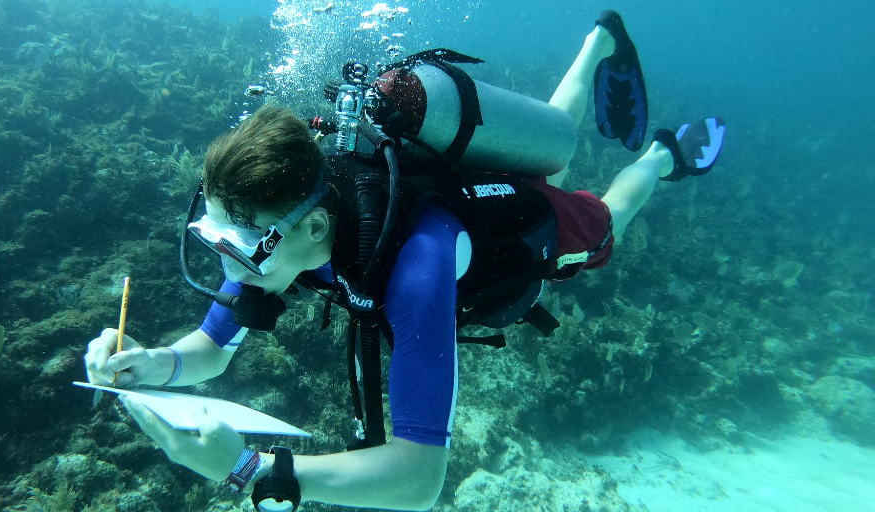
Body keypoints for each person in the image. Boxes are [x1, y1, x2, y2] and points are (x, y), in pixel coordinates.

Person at [84, 10, 725, 511]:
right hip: (442, 189)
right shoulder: (279, 234)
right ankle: (599, 41)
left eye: (238, 246)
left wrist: (249, 470)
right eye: (212, 237)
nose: (228, 264)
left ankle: (664, 154)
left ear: (312, 227)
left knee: (602, 215)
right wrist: (151, 363)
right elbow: (211, 349)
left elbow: (419, 479)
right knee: (549, 140)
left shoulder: (416, 272)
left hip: (514, 225)